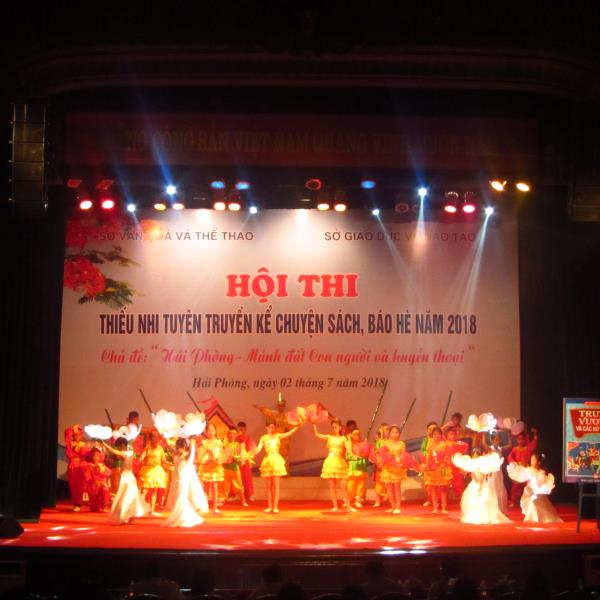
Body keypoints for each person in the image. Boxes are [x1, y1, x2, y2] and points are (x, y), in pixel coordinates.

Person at [253, 420, 301, 513]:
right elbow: (258, 449)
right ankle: (270, 507)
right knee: (269, 486)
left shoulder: (277, 436)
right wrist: (252, 452)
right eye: (269, 427)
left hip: (276, 461)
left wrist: (297, 427)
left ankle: (275, 507)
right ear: (266, 427)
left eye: (272, 427)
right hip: (267, 462)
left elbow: (288, 433)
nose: (271, 428)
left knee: (276, 485)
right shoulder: (263, 438)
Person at [452, 449, 510, 524]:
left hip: (481, 484)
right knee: (472, 501)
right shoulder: (471, 464)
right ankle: (473, 516)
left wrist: (480, 485)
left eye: (476, 454)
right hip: (474, 483)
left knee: (483, 500)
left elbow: (483, 475)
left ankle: (484, 517)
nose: (475, 456)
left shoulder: (482, 464)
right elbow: (468, 473)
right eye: (473, 454)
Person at [313, 418, 356, 512]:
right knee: (332, 486)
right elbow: (317, 434)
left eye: (336, 427)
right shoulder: (329, 437)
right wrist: (314, 424)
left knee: (343, 486)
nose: (334, 428)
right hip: (330, 462)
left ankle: (349, 507)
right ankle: (335, 507)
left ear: (340, 427)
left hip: (340, 462)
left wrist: (354, 454)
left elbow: (349, 450)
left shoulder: (343, 438)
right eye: (332, 427)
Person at [507, 452, 563, 523]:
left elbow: (544, 482)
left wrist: (545, 487)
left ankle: (541, 516)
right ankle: (533, 517)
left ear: (539, 462)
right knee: (533, 501)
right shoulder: (529, 470)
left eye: (533, 460)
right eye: (531, 460)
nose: (532, 462)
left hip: (539, 492)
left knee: (540, 501)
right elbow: (521, 475)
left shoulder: (542, 472)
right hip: (530, 491)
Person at [164, 437, 208, 527]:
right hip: (175, 481)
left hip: (182, 481)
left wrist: (192, 444)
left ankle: (183, 517)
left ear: (184, 447)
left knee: (181, 499)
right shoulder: (176, 455)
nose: (177, 449)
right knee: (177, 499)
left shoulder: (186, 456)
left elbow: (191, 453)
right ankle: (180, 517)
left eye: (179, 447)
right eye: (177, 447)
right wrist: (166, 440)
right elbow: (170, 448)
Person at [103, 437, 147, 524]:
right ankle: (129, 517)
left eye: (119, 446)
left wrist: (105, 444)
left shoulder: (126, 453)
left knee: (126, 497)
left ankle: (127, 516)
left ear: (122, 445)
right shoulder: (129, 452)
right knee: (129, 497)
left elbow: (114, 451)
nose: (119, 448)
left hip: (127, 478)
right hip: (128, 476)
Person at [253, 392, 294, 470]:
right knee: (275, 456)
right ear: (277, 406)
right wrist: (258, 407)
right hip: (275, 438)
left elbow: (291, 426)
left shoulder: (287, 416)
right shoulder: (275, 414)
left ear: (284, 406)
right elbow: (267, 412)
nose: (280, 407)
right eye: (279, 405)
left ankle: (285, 472)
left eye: (282, 406)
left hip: (284, 439)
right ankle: (275, 471)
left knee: (285, 456)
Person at [378, 424, 410, 514]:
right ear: (390, 433)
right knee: (389, 488)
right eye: (392, 432)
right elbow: (382, 454)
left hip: (397, 468)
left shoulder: (401, 443)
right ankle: (392, 506)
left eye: (396, 432)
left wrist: (399, 460)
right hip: (388, 468)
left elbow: (403, 455)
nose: (394, 434)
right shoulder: (385, 443)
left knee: (397, 487)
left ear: (399, 433)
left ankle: (398, 506)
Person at [420, 426, 452, 514]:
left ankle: (444, 507)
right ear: (432, 435)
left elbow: (448, 457)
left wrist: (444, 463)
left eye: (438, 434)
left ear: (441, 435)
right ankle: (435, 508)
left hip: (443, 469)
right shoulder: (430, 445)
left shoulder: (444, 445)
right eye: (434, 434)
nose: (436, 436)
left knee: (443, 489)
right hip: (433, 470)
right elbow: (428, 457)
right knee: (433, 489)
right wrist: (427, 466)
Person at [139, 428, 169, 515]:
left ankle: (152, 510)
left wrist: (170, 463)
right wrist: (141, 460)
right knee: (145, 490)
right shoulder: (147, 448)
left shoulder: (160, 449)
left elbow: (163, 460)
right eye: (154, 437)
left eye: (157, 437)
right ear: (150, 438)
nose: (156, 439)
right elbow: (141, 458)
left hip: (157, 471)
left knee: (155, 490)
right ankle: (139, 508)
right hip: (148, 471)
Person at [197, 422, 225, 513]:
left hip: (215, 466)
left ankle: (215, 507)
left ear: (215, 431)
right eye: (209, 430)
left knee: (214, 487)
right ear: (206, 432)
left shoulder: (218, 442)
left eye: (213, 430)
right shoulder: (204, 442)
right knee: (205, 487)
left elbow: (220, 454)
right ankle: (205, 506)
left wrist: (215, 458)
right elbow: (200, 454)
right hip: (206, 465)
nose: (211, 432)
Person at [507, 428, 538, 507]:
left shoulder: (527, 448)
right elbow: (510, 457)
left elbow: (534, 444)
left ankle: (525, 502)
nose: (521, 441)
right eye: (519, 439)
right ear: (517, 440)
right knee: (515, 486)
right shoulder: (515, 449)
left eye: (522, 439)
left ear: (524, 440)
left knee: (526, 486)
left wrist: (535, 435)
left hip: (525, 469)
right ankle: (514, 501)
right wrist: (515, 463)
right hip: (518, 469)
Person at [481, 431, 511, 514]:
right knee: (492, 487)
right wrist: (483, 433)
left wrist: (509, 436)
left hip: (499, 472)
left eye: (498, 440)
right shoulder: (491, 449)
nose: (497, 441)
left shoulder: (500, 449)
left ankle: (499, 507)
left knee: (499, 487)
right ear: (492, 440)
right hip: (493, 472)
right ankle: (492, 507)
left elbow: (509, 445)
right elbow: (484, 444)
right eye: (496, 440)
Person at [65, 424, 91, 511]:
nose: (77, 436)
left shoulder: (84, 444)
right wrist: (73, 428)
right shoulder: (70, 443)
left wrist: (81, 448)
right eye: (75, 435)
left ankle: (78, 503)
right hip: (72, 465)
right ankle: (75, 503)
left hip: (81, 465)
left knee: (81, 485)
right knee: (73, 485)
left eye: (79, 435)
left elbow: (87, 455)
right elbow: (66, 433)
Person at [220, 426, 248, 506]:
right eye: (231, 433)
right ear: (228, 434)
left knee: (239, 484)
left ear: (236, 435)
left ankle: (243, 500)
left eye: (234, 433)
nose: (232, 435)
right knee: (224, 485)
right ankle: (222, 499)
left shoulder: (238, 445)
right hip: (226, 467)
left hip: (234, 467)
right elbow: (221, 454)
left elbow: (241, 457)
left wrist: (234, 458)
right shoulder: (225, 444)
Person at [346, 428, 370, 508]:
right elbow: (347, 456)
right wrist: (355, 457)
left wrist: (364, 453)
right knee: (351, 484)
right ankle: (349, 500)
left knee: (361, 484)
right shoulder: (349, 445)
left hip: (361, 465)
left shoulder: (363, 444)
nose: (357, 436)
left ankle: (358, 500)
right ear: (351, 435)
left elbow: (366, 454)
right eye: (355, 434)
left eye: (358, 434)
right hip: (353, 465)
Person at [444, 427, 469, 503]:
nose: (452, 436)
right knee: (444, 486)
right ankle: (442, 503)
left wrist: (464, 467)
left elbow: (465, 456)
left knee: (459, 486)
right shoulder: (444, 444)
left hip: (457, 468)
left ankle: (463, 502)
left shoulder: (461, 444)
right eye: (450, 434)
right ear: (447, 435)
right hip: (446, 468)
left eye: (454, 434)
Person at [87, 447, 111, 512]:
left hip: (101, 486)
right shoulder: (88, 466)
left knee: (105, 488)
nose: (96, 457)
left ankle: (105, 506)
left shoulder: (102, 466)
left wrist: (102, 482)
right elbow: (88, 478)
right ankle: (94, 504)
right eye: (94, 456)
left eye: (97, 456)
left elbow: (109, 472)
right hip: (93, 487)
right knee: (94, 509)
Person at [236, 420, 255, 503]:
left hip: (245, 461)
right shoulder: (235, 438)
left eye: (243, 429)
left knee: (247, 478)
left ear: (245, 429)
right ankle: (237, 495)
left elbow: (252, 449)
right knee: (237, 478)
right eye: (240, 429)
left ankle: (249, 495)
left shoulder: (248, 438)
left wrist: (248, 457)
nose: (241, 431)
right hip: (236, 461)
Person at [373, 423, 390, 507]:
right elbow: (376, 452)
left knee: (389, 482)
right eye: (384, 429)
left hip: (389, 465)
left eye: (387, 429)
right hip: (380, 464)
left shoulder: (390, 441)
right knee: (379, 483)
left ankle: (391, 500)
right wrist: (378, 462)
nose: (387, 431)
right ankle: (378, 501)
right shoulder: (379, 441)